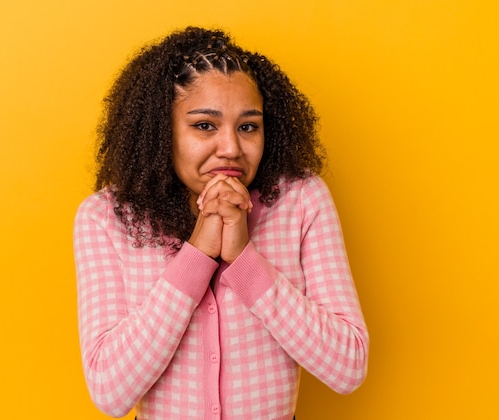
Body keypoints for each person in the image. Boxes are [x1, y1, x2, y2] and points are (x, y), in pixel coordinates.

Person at [74, 26, 368, 420]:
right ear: (163, 133)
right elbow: (110, 393)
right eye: (204, 126)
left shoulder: (302, 200)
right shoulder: (105, 218)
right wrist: (196, 254)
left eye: (248, 127)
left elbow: (348, 368)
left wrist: (244, 260)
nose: (231, 148)